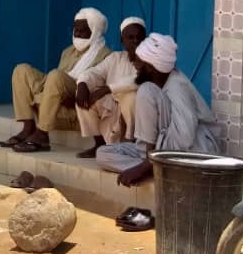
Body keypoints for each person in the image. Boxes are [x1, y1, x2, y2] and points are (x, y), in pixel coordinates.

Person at [97, 33, 226, 187]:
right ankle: (157, 168)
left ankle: (153, 167)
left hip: (193, 150)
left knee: (146, 90)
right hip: (161, 152)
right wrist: (148, 161)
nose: (135, 66)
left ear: (151, 68)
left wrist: (146, 165)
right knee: (103, 154)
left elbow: (184, 138)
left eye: (138, 61)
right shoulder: (156, 83)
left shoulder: (178, 86)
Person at [0, 8, 111, 153]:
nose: (76, 33)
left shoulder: (106, 55)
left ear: (94, 31)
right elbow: (57, 83)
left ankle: (42, 134)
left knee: (56, 75)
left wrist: (71, 96)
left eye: (82, 30)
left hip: (77, 103)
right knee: (21, 70)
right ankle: (29, 127)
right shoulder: (68, 51)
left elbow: (98, 92)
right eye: (75, 29)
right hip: (58, 93)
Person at [74, 16, 147, 158]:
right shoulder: (115, 58)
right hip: (113, 108)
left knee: (131, 97)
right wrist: (82, 83)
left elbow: (138, 80)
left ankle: (133, 145)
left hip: (135, 113)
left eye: (139, 37)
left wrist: (107, 89)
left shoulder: (150, 61)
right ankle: (99, 144)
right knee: (84, 94)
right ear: (122, 40)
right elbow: (95, 72)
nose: (135, 41)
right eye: (130, 37)